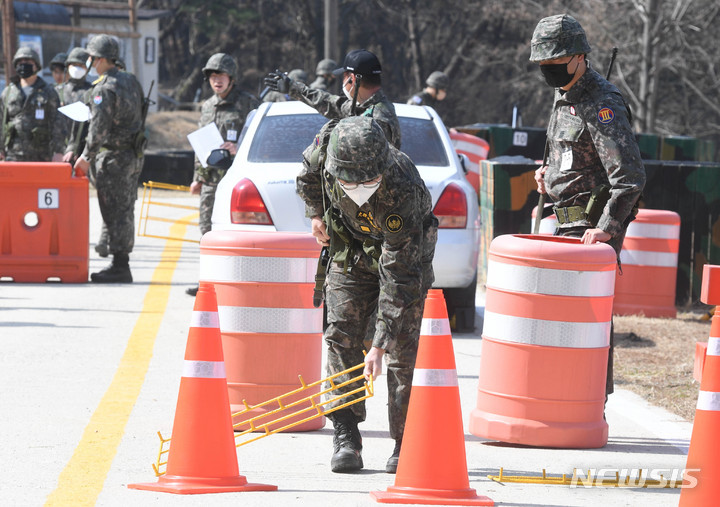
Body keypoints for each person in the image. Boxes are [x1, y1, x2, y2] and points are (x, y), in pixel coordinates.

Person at [296, 116, 437, 474]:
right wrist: (315, 214)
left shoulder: (400, 188)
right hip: (351, 251)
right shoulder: (325, 152)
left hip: (402, 254)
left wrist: (379, 344)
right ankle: (346, 435)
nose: (361, 187)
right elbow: (307, 179)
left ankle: (406, 441)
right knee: (341, 333)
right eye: (351, 181)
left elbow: (399, 276)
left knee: (403, 346)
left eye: (369, 180)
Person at [530, 14, 646, 400]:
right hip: (564, 224)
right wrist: (548, 174)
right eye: (543, 64)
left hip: (590, 230)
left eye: (556, 62)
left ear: (580, 57)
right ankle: (562, 396)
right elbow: (571, 155)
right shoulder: (564, 95)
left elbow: (629, 176)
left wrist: (608, 228)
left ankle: (590, 400)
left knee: (586, 325)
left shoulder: (602, 103)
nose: (549, 70)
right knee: (560, 322)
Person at [73, 34, 145, 284]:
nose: (90, 63)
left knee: (114, 210)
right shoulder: (131, 81)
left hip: (113, 158)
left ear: (101, 59)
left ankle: (119, 265)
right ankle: (119, 260)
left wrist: (85, 156)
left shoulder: (103, 88)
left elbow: (99, 127)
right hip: (132, 155)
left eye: (92, 58)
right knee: (125, 208)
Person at [187, 53, 260, 296]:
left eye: (221, 76)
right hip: (210, 177)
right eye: (213, 76)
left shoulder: (248, 103)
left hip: (237, 178)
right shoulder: (207, 106)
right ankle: (208, 283)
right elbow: (201, 143)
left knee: (236, 232)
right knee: (206, 229)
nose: (217, 81)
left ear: (232, 77)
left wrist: (240, 148)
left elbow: (258, 138)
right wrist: (197, 176)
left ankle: (236, 281)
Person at [264, 49, 401, 149]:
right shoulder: (365, 107)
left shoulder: (377, 120)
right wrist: (293, 87)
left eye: (343, 76)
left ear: (352, 79)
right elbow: (329, 103)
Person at [0, 47, 65, 162]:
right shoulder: (8, 92)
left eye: (28, 62)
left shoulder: (48, 92)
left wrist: (58, 151)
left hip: (41, 156)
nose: (23, 65)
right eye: (20, 62)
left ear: (37, 66)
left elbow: (58, 123)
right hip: (13, 156)